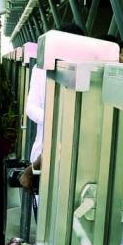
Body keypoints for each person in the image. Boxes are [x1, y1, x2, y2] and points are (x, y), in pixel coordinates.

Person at [19, 23, 85, 190]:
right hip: (44, 149)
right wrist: (56, 118)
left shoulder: (86, 71)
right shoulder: (40, 69)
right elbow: (30, 108)